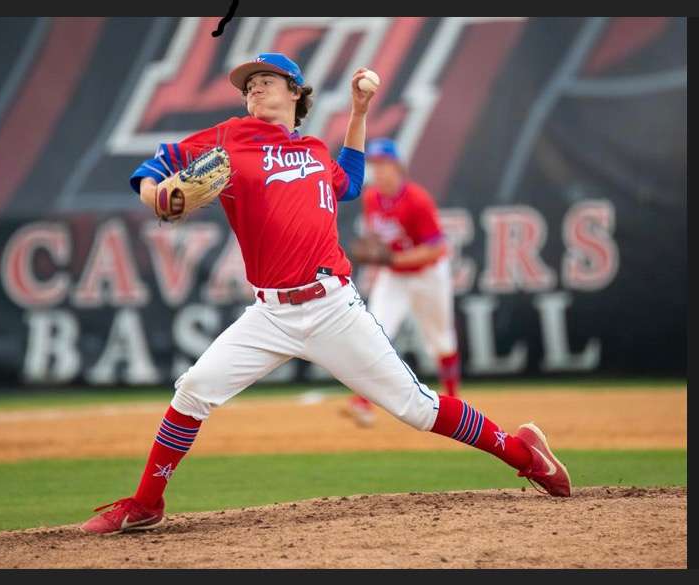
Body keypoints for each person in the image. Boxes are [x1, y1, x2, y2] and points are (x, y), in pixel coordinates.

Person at [81, 53, 571, 535]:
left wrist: (358, 113)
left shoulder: (316, 150)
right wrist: (154, 193)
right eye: (248, 85)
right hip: (270, 314)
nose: (254, 88)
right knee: (193, 390)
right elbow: (157, 164)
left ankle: (525, 453)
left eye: (266, 79)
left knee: (417, 408)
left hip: (333, 307)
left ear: (296, 92)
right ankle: (146, 504)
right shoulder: (232, 137)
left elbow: (351, 182)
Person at [344, 138, 460, 428]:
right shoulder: (372, 198)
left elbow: (436, 249)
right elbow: (378, 238)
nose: (379, 171)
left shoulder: (417, 200)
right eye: (375, 165)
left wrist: (393, 260)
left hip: (428, 275)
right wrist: (375, 251)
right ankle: (362, 403)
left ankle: (454, 401)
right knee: (375, 332)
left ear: (398, 167)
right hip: (395, 277)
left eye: (384, 164)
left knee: (441, 339)